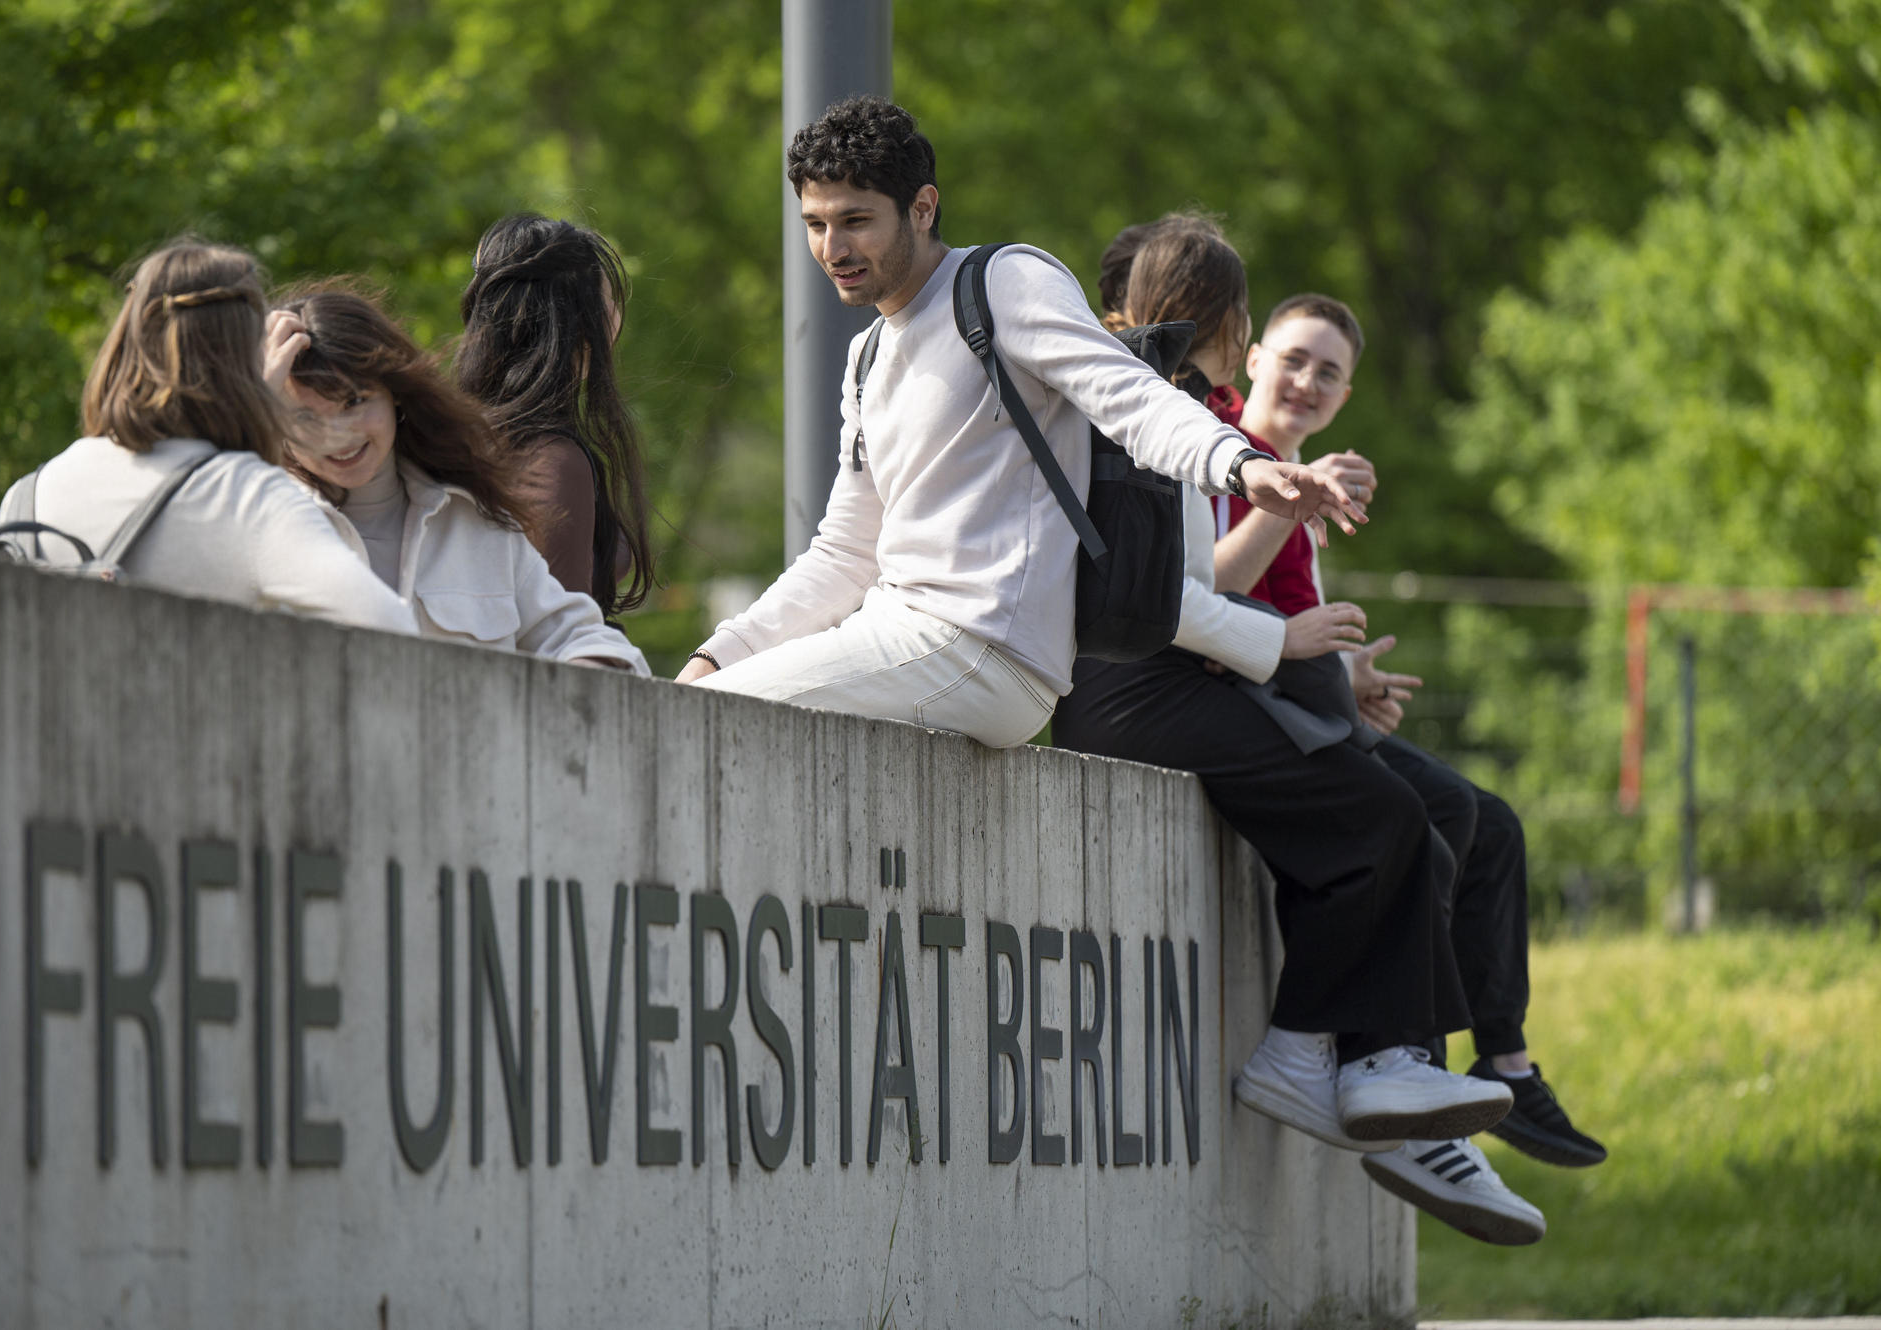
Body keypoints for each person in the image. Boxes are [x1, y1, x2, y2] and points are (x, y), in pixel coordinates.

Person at [1057, 216, 1538, 1244]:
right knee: (1383, 813)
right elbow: (1167, 599)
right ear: (1233, 328)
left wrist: (1304, 648)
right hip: (1125, 687)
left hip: (1155, 673)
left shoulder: (1168, 404)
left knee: (1407, 812)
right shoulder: (1148, 409)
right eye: (1257, 334)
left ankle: (1372, 1058)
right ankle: (1341, 1055)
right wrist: (1285, 643)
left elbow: (1178, 590)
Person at [674, 97, 1360, 747]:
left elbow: (1130, 394)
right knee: (704, 696)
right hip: (900, 633)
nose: (833, 249)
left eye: (856, 221)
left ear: (922, 208)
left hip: (985, 645)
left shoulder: (1002, 283)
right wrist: (719, 652)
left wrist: (1243, 466)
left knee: (712, 721)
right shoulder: (867, 354)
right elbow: (846, 554)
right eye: (815, 224)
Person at [1213, 292, 1607, 1182]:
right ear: (1252, 361)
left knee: (1492, 824)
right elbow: (1213, 599)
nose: (1308, 381)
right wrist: (1327, 676)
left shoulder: (1299, 479)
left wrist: (1349, 689)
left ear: (1347, 396)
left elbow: (1292, 626)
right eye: (1294, 359)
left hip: (1305, 700)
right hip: (1248, 708)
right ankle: (1399, 1065)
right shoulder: (1230, 457)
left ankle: (1498, 1063)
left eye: (1330, 373)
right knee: (1443, 816)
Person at [0, 238, 417, 636]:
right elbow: (391, 628)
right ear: (244, 359)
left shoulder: (30, 492)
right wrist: (262, 420)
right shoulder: (248, 497)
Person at [263, 285, 648, 673]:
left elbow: (579, 636)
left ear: (394, 392)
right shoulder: (260, 526)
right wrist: (248, 402)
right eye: (305, 418)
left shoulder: (475, 523)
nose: (339, 434)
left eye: (354, 402)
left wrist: (581, 680)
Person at [454, 214, 654, 621]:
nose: (617, 312)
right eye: (608, 300)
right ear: (583, 324)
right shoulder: (552, 462)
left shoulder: (459, 437)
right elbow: (558, 638)